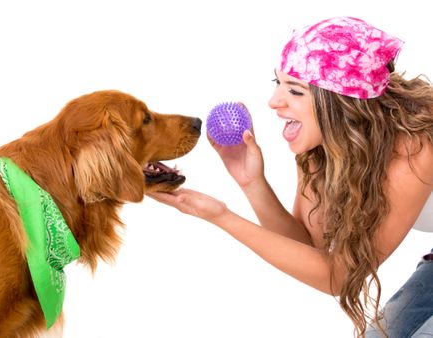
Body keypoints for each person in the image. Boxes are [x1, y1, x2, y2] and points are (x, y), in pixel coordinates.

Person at [148, 17, 433, 338]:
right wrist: (252, 183)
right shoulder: (323, 147)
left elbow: (338, 276)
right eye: (278, 83)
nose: (274, 102)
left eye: (295, 91)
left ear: (341, 102)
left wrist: (222, 217)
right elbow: (308, 248)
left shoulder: (413, 148)